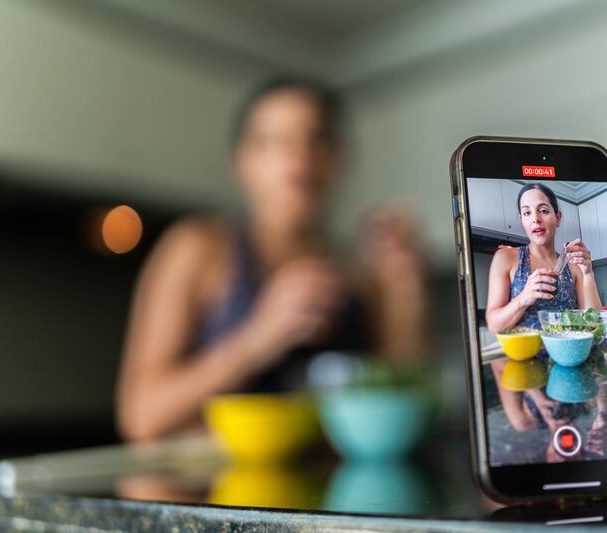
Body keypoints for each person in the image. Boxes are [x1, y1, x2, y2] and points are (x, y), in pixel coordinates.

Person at [116, 78, 428, 441]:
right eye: (273, 141)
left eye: (317, 139)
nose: (298, 156)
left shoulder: (363, 269)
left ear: (339, 158)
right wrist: (258, 338)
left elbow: (405, 403)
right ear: (241, 162)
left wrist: (405, 289)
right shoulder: (196, 248)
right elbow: (140, 416)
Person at [485, 183, 601, 333]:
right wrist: (523, 298)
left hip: (569, 355)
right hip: (525, 355)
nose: (535, 219)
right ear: (522, 220)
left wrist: (588, 274)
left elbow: (594, 327)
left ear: (557, 218)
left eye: (543, 211)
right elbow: (494, 325)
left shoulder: (573, 265)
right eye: (527, 213)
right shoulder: (505, 258)